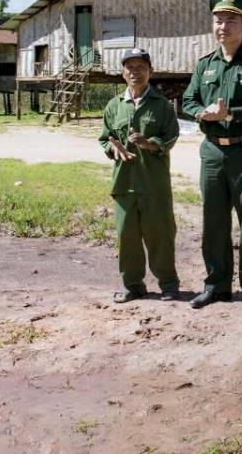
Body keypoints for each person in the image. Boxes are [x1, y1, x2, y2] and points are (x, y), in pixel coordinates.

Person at [181, 0, 242, 312]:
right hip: (212, 153)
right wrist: (200, 113)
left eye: (231, 20)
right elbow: (188, 100)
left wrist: (233, 114)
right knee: (213, 219)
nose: (224, 26)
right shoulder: (204, 64)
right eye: (218, 20)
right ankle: (216, 284)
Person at [98, 47, 181, 303]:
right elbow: (104, 138)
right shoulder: (114, 106)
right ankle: (132, 285)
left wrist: (149, 143)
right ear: (123, 73)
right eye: (130, 68)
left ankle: (168, 284)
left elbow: (171, 136)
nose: (135, 72)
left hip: (153, 183)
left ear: (150, 72)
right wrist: (113, 148)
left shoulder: (163, 106)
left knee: (160, 234)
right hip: (124, 183)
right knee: (127, 237)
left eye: (141, 67)